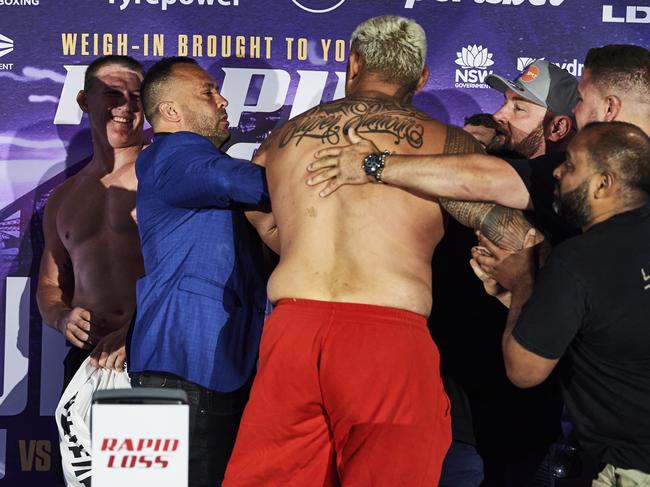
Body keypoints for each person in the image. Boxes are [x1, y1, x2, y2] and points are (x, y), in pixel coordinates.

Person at [223, 15, 535, 486]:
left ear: (353, 64)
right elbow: (512, 235)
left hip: (292, 332)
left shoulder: (282, 139)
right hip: (384, 338)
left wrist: (305, 239)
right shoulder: (445, 142)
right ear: (423, 77)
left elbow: (257, 208)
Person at [308, 57, 578, 487]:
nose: (501, 114)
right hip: (441, 395)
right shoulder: (463, 170)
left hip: (517, 408)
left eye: (520, 108)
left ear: (559, 129)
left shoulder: (570, 202)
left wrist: (526, 278)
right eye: (504, 101)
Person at [473, 121, 650, 486]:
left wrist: (523, 281)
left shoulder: (577, 261)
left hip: (629, 467)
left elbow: (524, 370)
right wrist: (518, 299)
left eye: (570, 164)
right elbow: (606, 325)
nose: (556, 171)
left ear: (604, 183)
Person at [127, 56, 276, 487]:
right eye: (208, 92)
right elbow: (250, 184)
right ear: (171, 112)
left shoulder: (180, 160)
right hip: (187, 365)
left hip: (185, 369)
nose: (223, 100)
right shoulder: (176, 154)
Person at [37, 55, 145, 387]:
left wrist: (141, 332)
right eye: (113, 93)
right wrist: (61, 317)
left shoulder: (161, 173)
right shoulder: (63, 197)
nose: (125, 105)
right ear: (85, 100)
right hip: (87, 360)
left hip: (151, 352)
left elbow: (193, 272)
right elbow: (50, 285)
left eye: (137, 98)